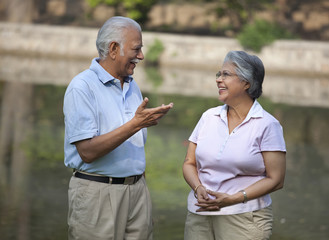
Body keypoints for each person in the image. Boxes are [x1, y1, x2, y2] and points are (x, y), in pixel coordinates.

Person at [63, 16, 173, 240]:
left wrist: (139, 191)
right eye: (136, 49)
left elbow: (135, 148)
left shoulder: (133, 87)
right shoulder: (82, 87)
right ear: (114, 48)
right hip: (97, 194)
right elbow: (88, 152)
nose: (141, 56)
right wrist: (135, 124)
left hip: (137, 192)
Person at [183, 50, 286, 240]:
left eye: (226, 75)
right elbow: (189, 163)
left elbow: (276, 179)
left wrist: (232, 199)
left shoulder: (267, 125)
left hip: (245, 219)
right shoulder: (208, 117)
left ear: (247, 82)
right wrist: (198, 188)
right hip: (199, 215)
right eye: (219, 74)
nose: (218, 80)